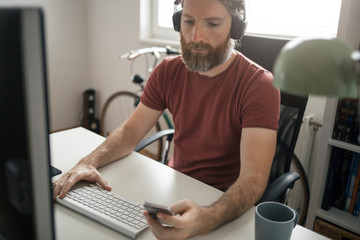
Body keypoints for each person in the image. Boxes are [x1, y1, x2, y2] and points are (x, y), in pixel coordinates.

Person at [53, 0, 280, 238]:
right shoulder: (168, 71)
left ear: (235, 27)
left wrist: (205, 218)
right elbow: (130, 132)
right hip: (175, 185)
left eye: (212, 23)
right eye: (188, 21)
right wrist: (88, 162)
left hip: (225, 202)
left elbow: (253, 179)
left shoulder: (259, 86)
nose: (195, 36)